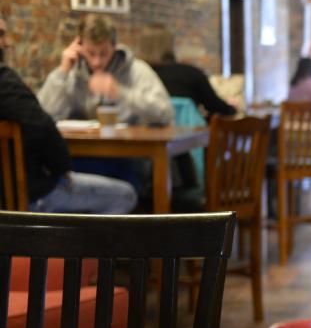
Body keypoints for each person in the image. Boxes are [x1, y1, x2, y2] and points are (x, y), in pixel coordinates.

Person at [0, 15, 136, 213]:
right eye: (1, 34)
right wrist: (62, 168)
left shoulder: (135, 70)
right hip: (32, 197)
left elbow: (163, 111)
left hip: (8, 200)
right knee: (126, 195)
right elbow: (41, 122)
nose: (7, 42)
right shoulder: (4, 80)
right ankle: (77, 244)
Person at [38, 14, 174, 126]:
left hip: (130, 151)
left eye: (103, 53)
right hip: (83, 150)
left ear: (115, 47)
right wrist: (62, 72)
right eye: (91, 53)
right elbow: (43, 116)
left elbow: (165, 114)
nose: (97, 61)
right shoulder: (71, 73)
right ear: (79, 46)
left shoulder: (137, 70)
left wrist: (120, 92)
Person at [136, 23, 237, 118]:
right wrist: (233, 108)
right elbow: (216, 107)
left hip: (138, 135)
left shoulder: (134, 76)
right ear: (170, 45)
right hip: (189, 135)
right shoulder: (191, 74)